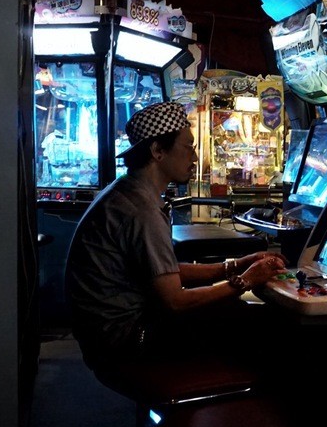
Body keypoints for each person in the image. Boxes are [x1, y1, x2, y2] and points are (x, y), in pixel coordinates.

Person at [65, 102, 287, 371]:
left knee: (235, 314)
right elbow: (174, 301)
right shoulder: (141, 210)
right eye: (188, 147)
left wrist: (237, 265)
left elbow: (161, 274)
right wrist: (246, 281)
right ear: (158, 151)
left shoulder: (127, 193)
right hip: (127, 340)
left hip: (106, 335)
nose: (194, 158)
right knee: (264, 323)